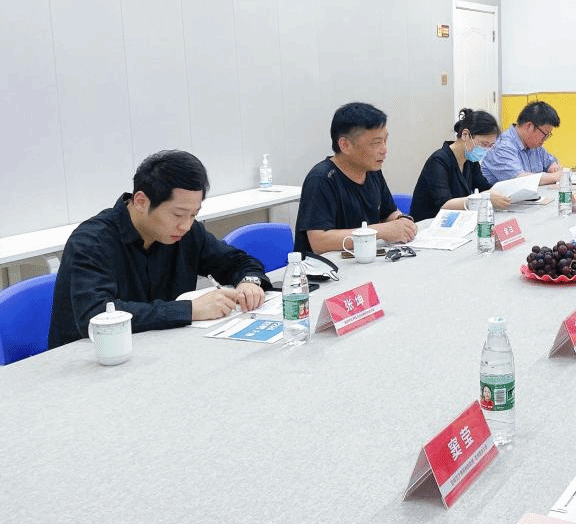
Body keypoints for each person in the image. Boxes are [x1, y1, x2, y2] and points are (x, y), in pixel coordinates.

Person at [49, 150, 270, 348]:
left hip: (161, 350)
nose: (186, 225)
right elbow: (96, 314)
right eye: (178, 214)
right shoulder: (92, 242)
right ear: (141, 201)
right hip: (92, 359)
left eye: (194, 214)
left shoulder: (186, 232)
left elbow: (238, 261)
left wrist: (249, 283)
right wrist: (189, 310)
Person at [294, 102, 417, 255]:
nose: (384, 149)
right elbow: (319, 242)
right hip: (325, 267)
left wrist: (403, 221)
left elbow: (388, 213)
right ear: (345, 145)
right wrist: (379, 231)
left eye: (385, 141)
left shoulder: (372, 171)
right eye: (376, 143)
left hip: (364, 259)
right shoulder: (321, 179)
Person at [409, 108, 512, 221]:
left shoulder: (470, 161)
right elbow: (445, 204)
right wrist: (481, 199)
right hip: (429, 224)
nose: (486, 150)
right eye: (484, 144)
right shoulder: (438, 161)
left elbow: (484, 188)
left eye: (490, 146)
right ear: (465, 135)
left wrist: (504, 194)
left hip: (457, 222)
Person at [481, 100, 563, 186]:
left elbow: (550, 161)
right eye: (545, 134)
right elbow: (520, 180)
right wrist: (555, 177)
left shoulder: (534, 146)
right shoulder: (503, 146)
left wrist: (553, 166)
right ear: (529, 126)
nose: (544, 139)